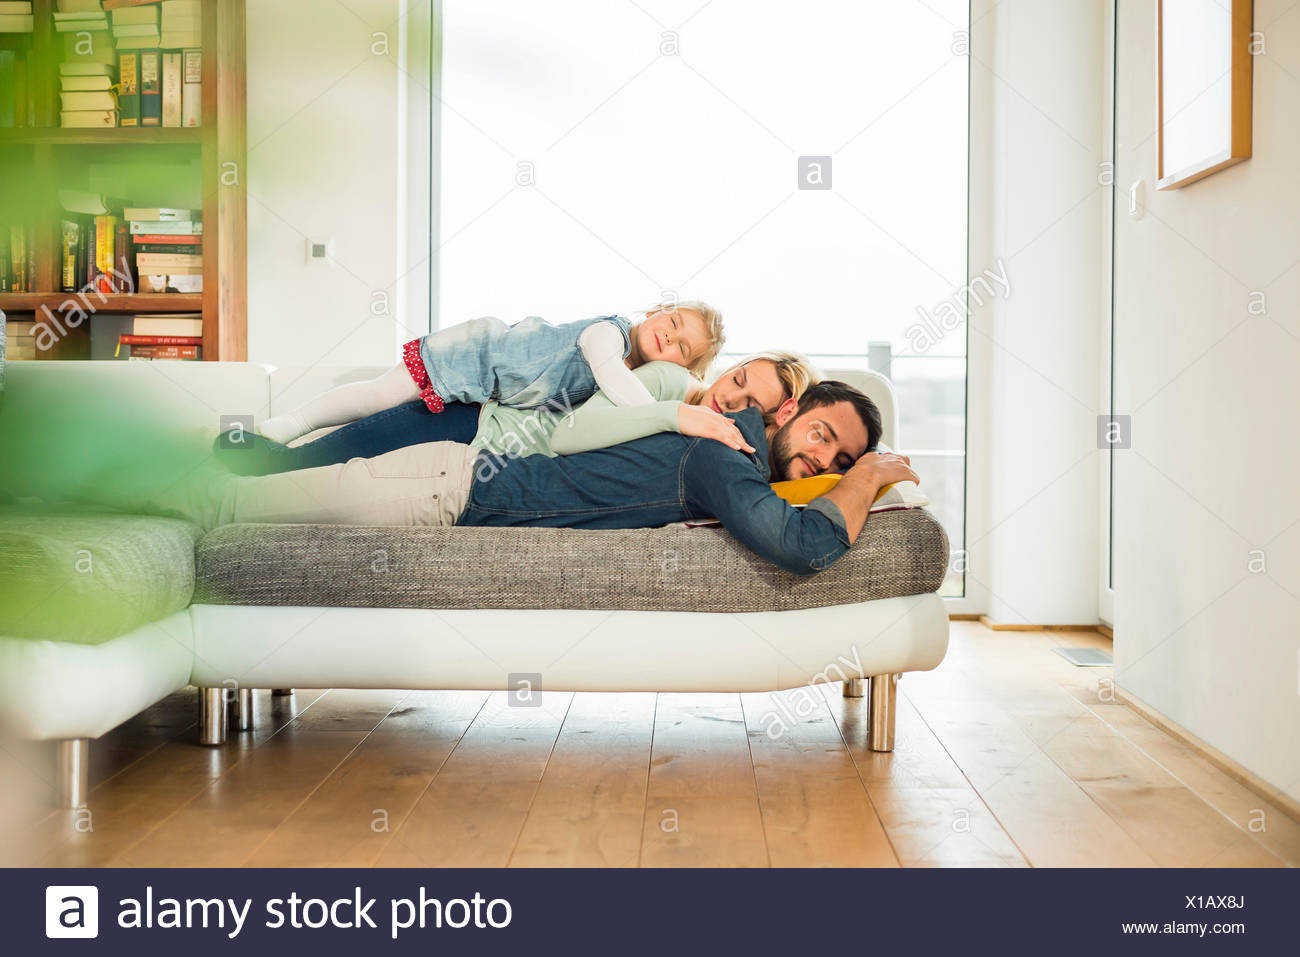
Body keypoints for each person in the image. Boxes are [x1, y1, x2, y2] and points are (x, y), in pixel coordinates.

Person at [158, 381, 921, 576]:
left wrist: (852, 478)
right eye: (823, 436)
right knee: (228, 500)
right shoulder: (723, 453)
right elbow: (801, 545)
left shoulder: (742, 458)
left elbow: (796, 511)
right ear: (789, 411)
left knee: (237, 505)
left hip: (452, 487)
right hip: (449, 485)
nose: (824, 463)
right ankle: (65, 486)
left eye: (840, 463)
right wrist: (866, 481)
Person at [217, 351, 818, 475]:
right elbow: (573, 433)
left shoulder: (726, 437)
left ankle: (253, 466)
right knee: (333, 453)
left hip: (480, 452)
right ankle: (241, 456)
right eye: (737, 379)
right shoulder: (669, 386)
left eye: (748, 404)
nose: (727, 399)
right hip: (475, 422)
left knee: (338, 467)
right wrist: (675, 415)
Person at [255, 303, 726, 446]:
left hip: (487, 392)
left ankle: (301, 433)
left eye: (684, 348)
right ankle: (292, 423)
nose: (670, 337)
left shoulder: (627, 372)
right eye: (674, 323)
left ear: (681, 364)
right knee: (383, 395)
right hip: (477, 355)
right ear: (658, 310)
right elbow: (608, 374)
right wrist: (667, 412)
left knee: (391, 411)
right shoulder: (610, 335)